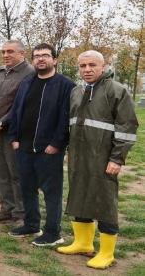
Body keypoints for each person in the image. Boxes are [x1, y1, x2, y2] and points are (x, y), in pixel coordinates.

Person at [57, 50, 138, 269]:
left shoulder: (117, 90)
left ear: (103, 66)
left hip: (104, 158)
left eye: (92, 65)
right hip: (78, 156)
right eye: (83, 66)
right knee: (79, 195)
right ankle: (83, 243)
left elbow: (127, 127)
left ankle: (106, 253)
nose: (87, 69)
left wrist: (117, 159)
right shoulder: (76, 91)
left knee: (105, 202)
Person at [5, 43, 75, 246]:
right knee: (27, 188)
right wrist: (14, 138)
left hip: (49, 149)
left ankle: (53, 232)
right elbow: (16, 110)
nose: (41, 59)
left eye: (45, 55)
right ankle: (31, 224)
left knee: (52, 193)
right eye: (37, 56)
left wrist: (57, 143)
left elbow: (65, 118)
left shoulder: (66, 85)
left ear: (55, 59)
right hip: (24, 147)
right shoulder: (27, 82)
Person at [0, 40, 34, 224]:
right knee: (1, 172)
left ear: (22, 53)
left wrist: (2, 122)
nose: (5, 55)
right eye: (3, 51)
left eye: (10, 51)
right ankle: (7, 209)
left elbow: (22, 105)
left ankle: (22, 213)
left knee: (17, 173)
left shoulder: (30, 73)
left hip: (15, 133)